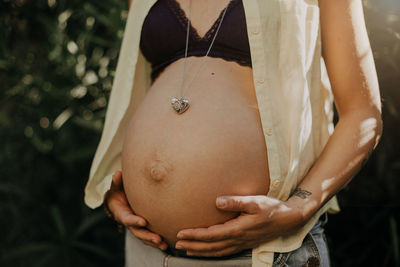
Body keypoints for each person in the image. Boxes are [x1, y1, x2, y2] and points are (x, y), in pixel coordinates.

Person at [84, 0, 383, 266]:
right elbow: (138, 89)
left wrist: (299, 208)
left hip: (262, 252)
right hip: (146, 249)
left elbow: (363, 114)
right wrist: (117, 185)